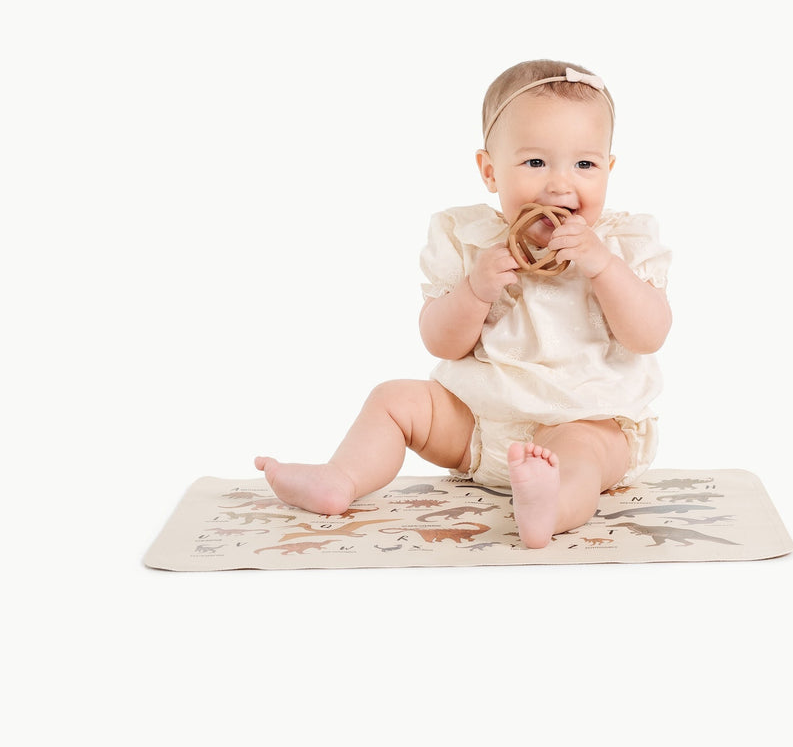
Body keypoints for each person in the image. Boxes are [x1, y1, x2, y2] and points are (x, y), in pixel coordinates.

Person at [255, 60, 672, 547]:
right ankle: (340, 479)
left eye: (585, 164)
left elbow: (650, 334)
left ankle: (550, 505)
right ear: (490, 170)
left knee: (581, 455)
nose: (561, 184)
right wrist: (474, 291)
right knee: (393, 399)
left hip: (580, 418)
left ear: (609, 168)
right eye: (535, 163)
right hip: (477, 423)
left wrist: (602, 267)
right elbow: (442, 344)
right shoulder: (469, 242)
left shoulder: (622, 244)